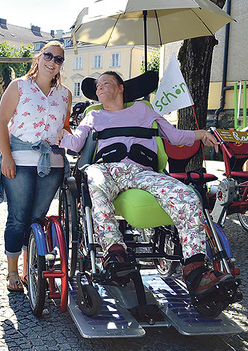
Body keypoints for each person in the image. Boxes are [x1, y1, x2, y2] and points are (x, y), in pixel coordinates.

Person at [57, 71, 234, 299]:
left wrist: (202, 134)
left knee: (188, 196)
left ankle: (196, 270)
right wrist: (59, 131)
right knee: (94, 180)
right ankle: (115, 253)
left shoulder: (144, 110)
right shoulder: (93, 116)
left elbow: (175, 136)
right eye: (98, 86)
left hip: (142, 172)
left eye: (106, 83)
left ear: (121, 88)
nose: (100, 88)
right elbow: (74, 143)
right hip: (107, 170)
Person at [0, 41, 72, 292]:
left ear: (61, 65)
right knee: (18, 218)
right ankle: (13, 271)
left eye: (58, 59)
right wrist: (6, 157)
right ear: (38, 57)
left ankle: (31, 270)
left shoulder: (65, 94)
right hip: (19, 160)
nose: (52, 61)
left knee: (38, 219)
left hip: (53, 164)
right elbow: (1, 121)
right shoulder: (19, 87)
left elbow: (65, 128)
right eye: (48, 55)